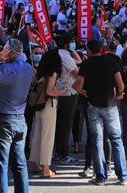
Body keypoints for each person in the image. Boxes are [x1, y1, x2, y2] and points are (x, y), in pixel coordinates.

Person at [0, 38, 34, 193]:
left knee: (0, 165)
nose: (1, 52)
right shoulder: (27, 67)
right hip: (19, 120)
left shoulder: (8, 69)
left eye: (4, 49)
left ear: (9, 51)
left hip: (4, 120)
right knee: (19, 164)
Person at [75, 38, 127, 186]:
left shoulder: (86, 64)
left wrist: (86, 94)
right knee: (116, 140)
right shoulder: (111, 62)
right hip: (111, 105)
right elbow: (121, 84)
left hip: (93, 106)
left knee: (97, 140)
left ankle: (100, 177)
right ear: (101, 49)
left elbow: (78, 86)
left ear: (89, 50)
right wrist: (118, 95)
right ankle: (123, 176)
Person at [28, 49, 66, 178]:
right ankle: (46, 168)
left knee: (37, 135)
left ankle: (34, 164)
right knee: (47, 137)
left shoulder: (41, 71)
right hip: (49, 105)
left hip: (38, 105)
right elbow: (50, 92)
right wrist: (62, 91)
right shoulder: (53, 73)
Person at [54, 33, 81, 165]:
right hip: (68, 93)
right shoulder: (65, 56)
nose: (73, 44)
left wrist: (73, 50)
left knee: (59, 124)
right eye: (72, 42)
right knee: (65, 125)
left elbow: (78, 62)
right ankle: (63, 154)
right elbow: (77, 72)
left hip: (60, 92)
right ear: (66, 43)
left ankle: (57, 151)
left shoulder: (59, 54)